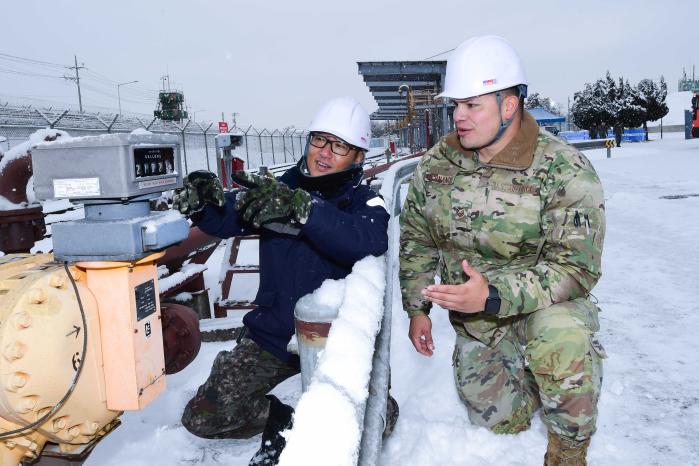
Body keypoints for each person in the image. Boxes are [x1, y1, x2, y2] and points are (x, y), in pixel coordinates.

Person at [398, 36, 606, 466]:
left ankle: (568, 449)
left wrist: (492, 293)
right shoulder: (438, 166)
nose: (458, 116)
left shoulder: (563, 168)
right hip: (477, 320)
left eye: (472, 105)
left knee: (561, 344)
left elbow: (575, 267)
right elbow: (417, 236)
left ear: (508, 106)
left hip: (546, 307)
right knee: (499, 421)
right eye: (456, 105)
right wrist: (418, 307)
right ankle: (528, 380)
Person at [172, 97, 394, 465]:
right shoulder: (276, 193)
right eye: (319, 140)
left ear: (357, 157)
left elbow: (365, 240)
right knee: (202, 417)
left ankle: (315, 422)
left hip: (334, 343)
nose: (324, 152)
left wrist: (305, 210)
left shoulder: (365, 203)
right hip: (273, 337)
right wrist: (205, 205)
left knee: (374, 420)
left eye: (339, 146)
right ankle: (290, 415)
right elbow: (230, 215)